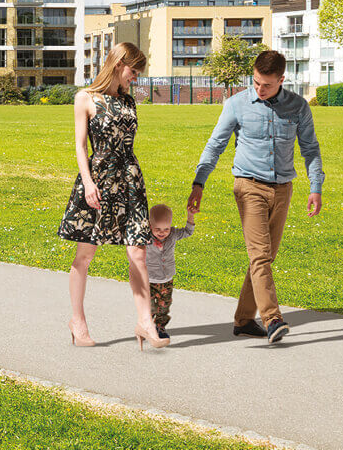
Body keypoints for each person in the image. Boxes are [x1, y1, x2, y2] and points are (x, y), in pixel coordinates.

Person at [190, 49, 324, 344]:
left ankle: (243, 320)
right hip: (248, 187)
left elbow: (310, 149)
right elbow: (215, 145)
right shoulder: (237, 104)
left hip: (283, 190)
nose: (259, 89)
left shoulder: (298, 106)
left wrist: (316, 187)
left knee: (265, 257)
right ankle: (273, 318)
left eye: (267, 84)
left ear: (281, 80)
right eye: (255, 82)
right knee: (260, 255)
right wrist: (199, 182)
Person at [58, 42, 169, 350]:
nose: (135, 78)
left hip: (130, 181)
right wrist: (88, 182)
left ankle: (145, 322)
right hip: (98, 180)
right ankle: (77, 321)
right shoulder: (85, 98)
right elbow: (81, 146)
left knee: (138, 253)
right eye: (133, 72)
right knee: (85, 255)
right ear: (119, 64)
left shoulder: (129, 102)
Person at [144, 202, 197, 340]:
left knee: (164, 306)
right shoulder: (145, 237)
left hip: (167, 279)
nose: (162, 233)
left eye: (166, 229)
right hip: (149, 280)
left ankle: (160, 327)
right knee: (149, 307)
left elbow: (187, 232)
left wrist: (190, 216)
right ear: (150, 226)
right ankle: (146, 326)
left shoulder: (173, 234)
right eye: (158, 229)